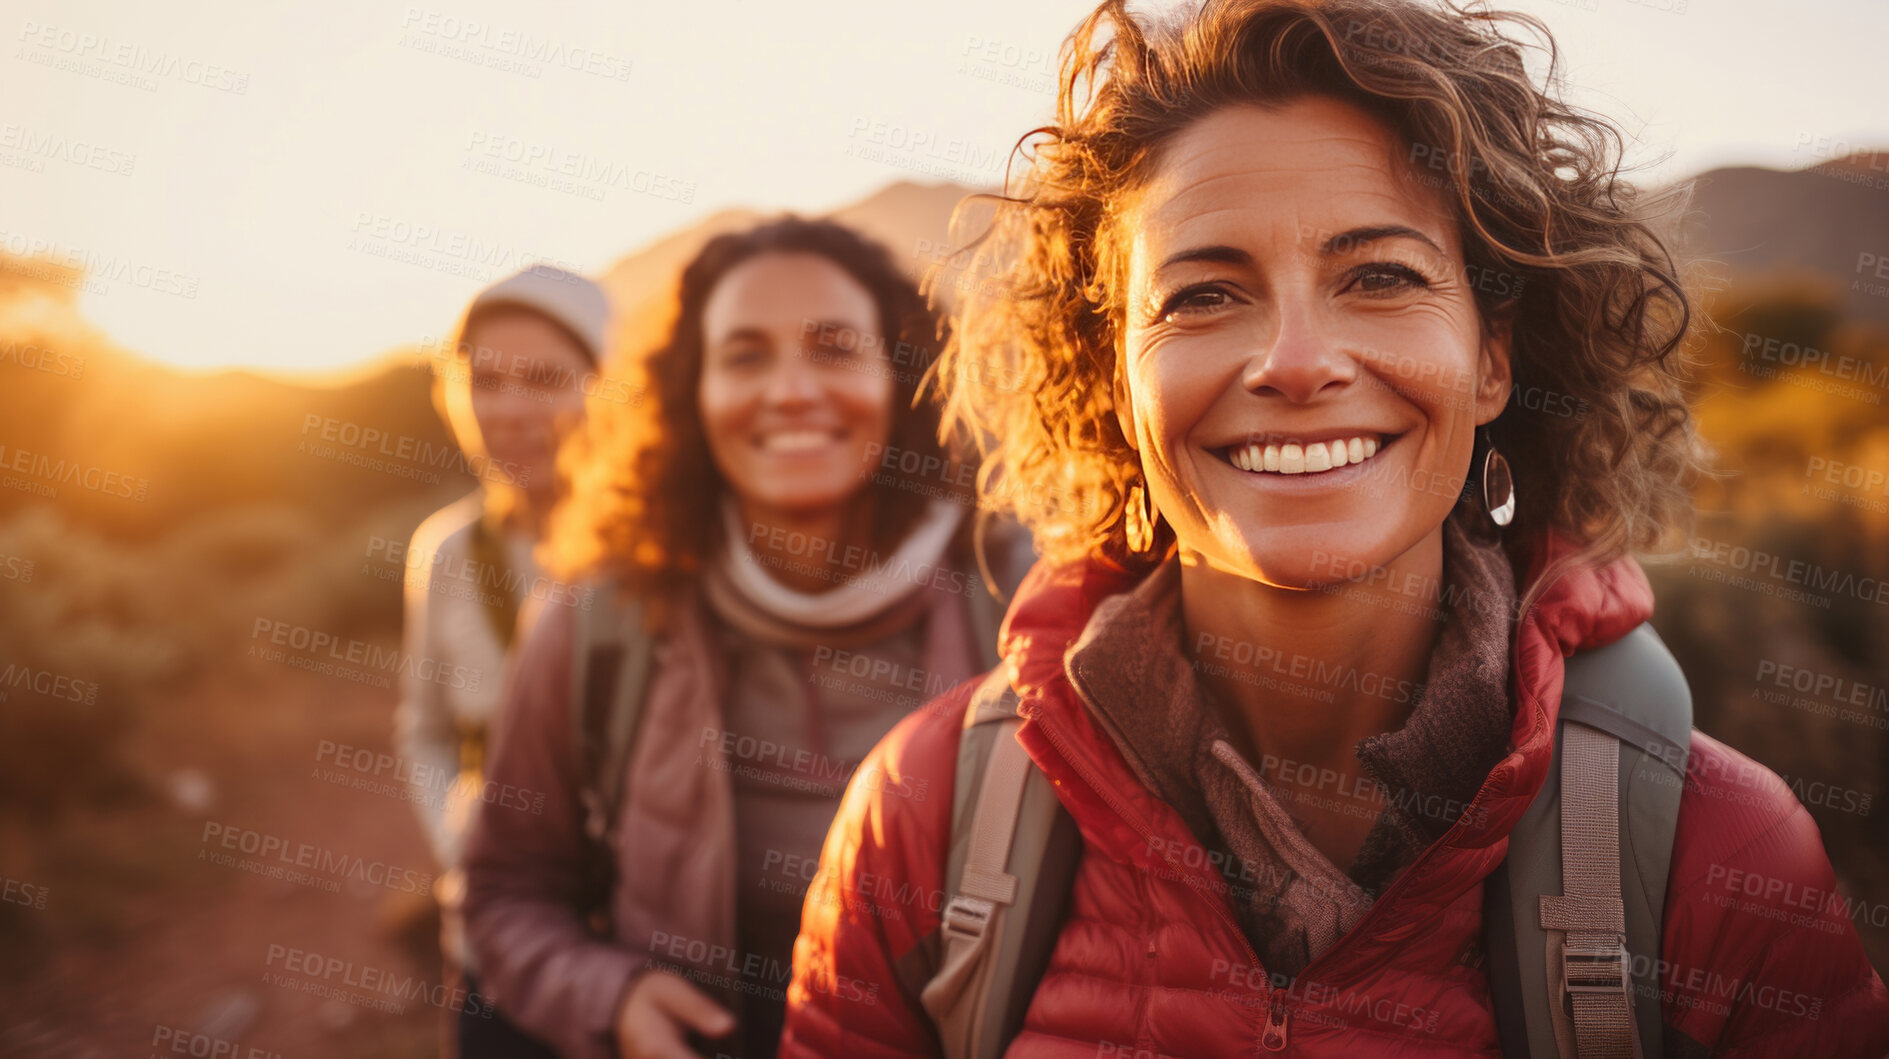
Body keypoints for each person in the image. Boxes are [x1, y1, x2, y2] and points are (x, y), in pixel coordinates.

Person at [779, 1, 1889, 1056]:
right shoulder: (926, 817)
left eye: (1378, 277)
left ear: (1491, 355)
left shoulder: (1719, 856)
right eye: (1202, 297)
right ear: (1113, 375)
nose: (1296, 361)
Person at [461, 216, 1036, 1059]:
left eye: (834, 346)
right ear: (691, 393)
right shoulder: (598, 620)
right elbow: (505, 892)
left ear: (903, 372)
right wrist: (611, 997)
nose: (790, 390)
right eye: (744, 355)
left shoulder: (1023, 598)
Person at [394, 264, 613, 1057]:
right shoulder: (445, 553)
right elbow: (423, 731)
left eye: (546, 379)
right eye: (485, 381)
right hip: (494, 948)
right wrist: (468, 850)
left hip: (640, 955)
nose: (510, 409)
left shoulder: (658, 553)